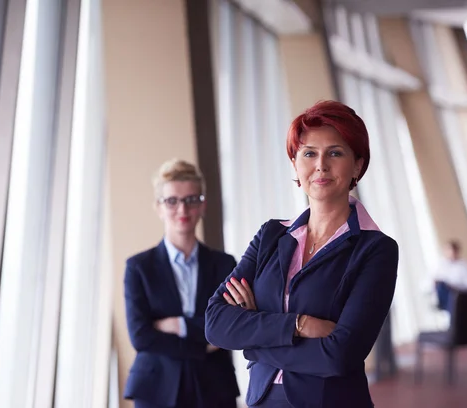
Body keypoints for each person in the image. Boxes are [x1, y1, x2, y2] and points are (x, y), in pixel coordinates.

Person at [205, 101, 399, 408]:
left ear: (357, 165)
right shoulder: (270, 235)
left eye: (335, 152)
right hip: (263, 400)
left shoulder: (376, 249)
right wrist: (299, 325)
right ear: (295, 163)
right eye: (309, 153)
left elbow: (339, 355)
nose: (321, 165)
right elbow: (216, 323)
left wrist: (253, 339)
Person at [123, 159, 239, 408]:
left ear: (202, 205)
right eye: (172, 201)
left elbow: (230, 326)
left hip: (215, 386)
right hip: (156, 388)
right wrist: (202, 346)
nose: (182, 210)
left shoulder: (225, 264)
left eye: (191, 199)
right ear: (159, 207)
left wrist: (179, 325)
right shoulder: (138, 268)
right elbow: (141, 336)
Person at [433, 240, 467, 313]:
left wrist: (454, 287)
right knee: (441, 286)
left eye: (453, 250)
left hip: (460, 293)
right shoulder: (440, 266)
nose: (451, 253)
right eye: (448, 250)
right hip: (446, 293)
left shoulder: (464, 265)